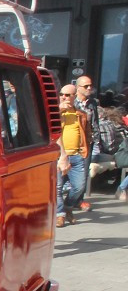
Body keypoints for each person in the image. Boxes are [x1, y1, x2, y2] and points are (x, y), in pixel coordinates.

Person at [56, 84, 89, 227]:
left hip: (76, 155)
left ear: (74, 96)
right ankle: (60, 214)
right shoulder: (54, 113)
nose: (64, 97)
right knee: (57, 188)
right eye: (62, 94)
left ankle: (68, 207)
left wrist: (84, 149)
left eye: (68, 95)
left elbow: (86, 133)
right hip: (58, 156)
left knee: (79, 187)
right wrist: (59, 111)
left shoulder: (80, 114)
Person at [74, 75, 100, 212]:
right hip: (72, 142)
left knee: (83, 173)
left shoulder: (92, 103)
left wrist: (96, 142)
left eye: (90, 85)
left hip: (87, 143)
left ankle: (79, 200)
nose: (89, 88)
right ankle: (65, 201)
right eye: (86, 86)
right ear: (78, 87)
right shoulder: (71, 102)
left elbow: (95, 123)